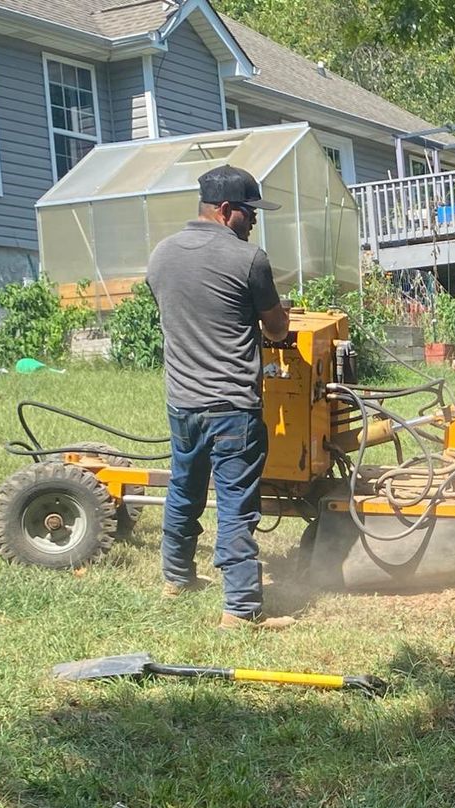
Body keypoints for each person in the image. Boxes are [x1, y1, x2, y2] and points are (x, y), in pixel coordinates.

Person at [147, 164, 293, 629]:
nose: (254, 222)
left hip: (183, 401)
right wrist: (276, 314)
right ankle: (242, 609)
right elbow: (276, 327)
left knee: (185, 487)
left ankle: (175, 577)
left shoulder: (161, 255)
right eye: (249, 213)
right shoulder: (248, 260)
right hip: (232, 406)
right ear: (226, 210)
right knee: (235, 503)